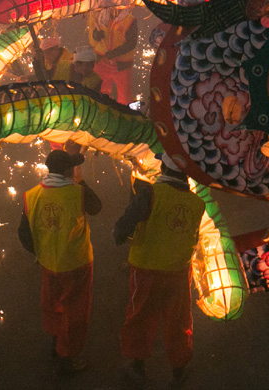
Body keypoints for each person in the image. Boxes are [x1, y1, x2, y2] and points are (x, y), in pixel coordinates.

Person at [112, 154, 205, 386]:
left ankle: (137, 366)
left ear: (164, 167)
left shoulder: (150, 193)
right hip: (178, 271)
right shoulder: (197, 203)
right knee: (178, 321)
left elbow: (125, 223)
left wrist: (119, 235)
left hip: (146, 269)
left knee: (140, 316)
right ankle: (179, 368)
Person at [18, 150, 102, 374]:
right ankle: (67, 358)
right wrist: (81, 181)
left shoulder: (32, 195)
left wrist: (40, 252)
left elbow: (23, 233)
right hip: (77, 264)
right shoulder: (78, 193)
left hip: (48, 264)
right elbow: (97, 207)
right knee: (75, 312)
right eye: (73, 168)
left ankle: (55, 343)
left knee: (53, 305)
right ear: (68, 171)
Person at [88, 7, 137, 104]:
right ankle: (101, 108)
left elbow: (131, 43)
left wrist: (115, 53)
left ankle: (123, 112)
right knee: (99, 91)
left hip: (122, 65)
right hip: (102, 61)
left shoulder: (130, 21)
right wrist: (96, 35)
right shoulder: (101, 17)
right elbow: (93, 38)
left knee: (125, 96)